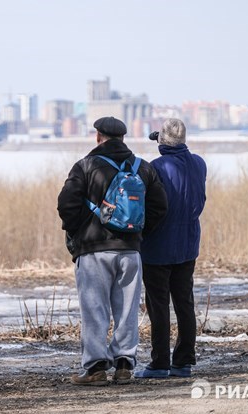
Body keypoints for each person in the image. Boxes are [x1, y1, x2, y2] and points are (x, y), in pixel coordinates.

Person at [57, 116, 168, 386]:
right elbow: (160, 207)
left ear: (98, 136)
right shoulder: (142, 168)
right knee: (127, 310)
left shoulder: (84, 166)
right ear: (123, 137)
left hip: (93, 250)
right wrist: (139, 233)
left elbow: (66, 205)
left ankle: (95, 369)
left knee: (95, 309)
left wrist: (77, 233)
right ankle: (124, 366)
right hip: (131, 251)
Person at [135, 118, 207, 379]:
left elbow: (149, 206)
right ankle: (183, 361)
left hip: (157, 247)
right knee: (184, 303)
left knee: (158, 305)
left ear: (162, 141)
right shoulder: (199, 163)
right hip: (188, 244)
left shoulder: (156, 167)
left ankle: (159, 363)